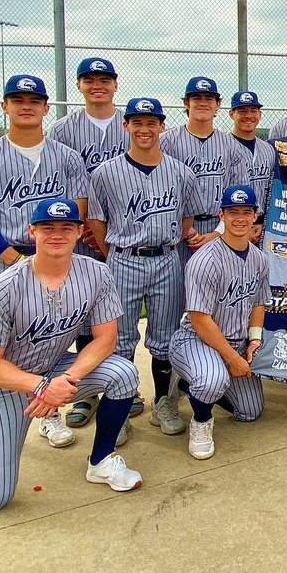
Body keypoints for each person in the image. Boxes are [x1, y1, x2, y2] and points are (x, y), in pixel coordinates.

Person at [0, 198, 142, 512]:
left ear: (79, 232)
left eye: (67, 227)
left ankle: (101, 461)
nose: (57, 234)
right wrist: (40, 387)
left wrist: (65, 380)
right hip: (5, 384)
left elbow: (106, 339)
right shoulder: (2, 288)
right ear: (31, 231)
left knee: (124, 374)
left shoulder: (97, 273)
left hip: (55, 370)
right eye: (47, 227)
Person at [0, 73, 89, 448]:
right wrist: (10, 257)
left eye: (33, 100)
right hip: (7, 257)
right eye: (17, 99)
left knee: (54, 336)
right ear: (5, 106)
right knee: (4, 343)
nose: (26, 106)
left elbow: (78, 209)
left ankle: (49, 413)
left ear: (46, 108)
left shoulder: (66, 157)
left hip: (58, 258)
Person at [88, 97, 200, 442]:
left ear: (162, 126)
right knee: (118, 342)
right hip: (124, 258)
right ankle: (119, 411)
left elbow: (186, 219)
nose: (144, 129)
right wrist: (118, 253)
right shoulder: (106, 172)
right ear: (127, 126)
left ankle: (164, 404)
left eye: (151, 122)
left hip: (167, 257)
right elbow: (95, 219)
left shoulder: (181, 172)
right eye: (137, 122)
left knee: (165, 340)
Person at [47, 58, 130, 433]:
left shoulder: (131, 125)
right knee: (82, 313)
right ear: (79, 85)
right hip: (78, 233)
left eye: (105, 80)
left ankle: (119, 384)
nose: (98, 85)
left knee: (115, 316)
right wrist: (83, 229)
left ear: (115, 85)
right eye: (90, 80)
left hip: (126, 231)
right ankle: (84, 393)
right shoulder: (63, 130)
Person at [168, 185, 271, 459]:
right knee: (212, 379)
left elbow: (259, 302)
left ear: (254, 217)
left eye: (246, 212)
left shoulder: (259, 258)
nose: (240, 218)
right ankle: (201, 421)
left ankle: (189, 385)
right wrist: (232, 359)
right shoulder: (205, 259)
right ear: (221, 215)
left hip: (236, 341)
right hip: (197, 340)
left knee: (250, 411)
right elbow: (200, 320)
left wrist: (255, 340)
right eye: (233, 212)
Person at [160, 76, 250, 265]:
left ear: (218, 104)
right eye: (196, 98)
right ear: (186, 103)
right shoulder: (166, 141)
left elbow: (240, 193)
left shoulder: (231, 146)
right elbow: (159, 190)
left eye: (208, 99)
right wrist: (188, 230)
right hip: (176, 228)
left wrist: (218, 232)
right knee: (178, 292)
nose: (203, 103)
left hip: (220, 227)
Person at [226, 90, 276, 239]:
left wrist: (261, 223)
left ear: (260, 115)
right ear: (231, 114)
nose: (248, 116)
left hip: (262, 226)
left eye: (253, 110)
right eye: (242, 111)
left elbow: (271, 192)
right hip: (232, 226)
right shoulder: (223, 147)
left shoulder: (268, 149)